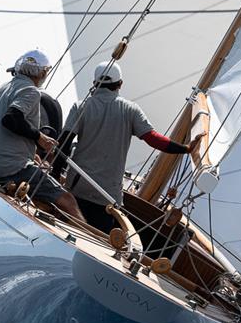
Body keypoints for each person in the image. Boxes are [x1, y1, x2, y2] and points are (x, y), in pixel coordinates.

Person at [52, 61, 202, 232]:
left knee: (67, 230)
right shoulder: (130, 110)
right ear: (120, 84)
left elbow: (64, 142)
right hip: (107, 196)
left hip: (77, 188)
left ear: (94, 83)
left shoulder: (81, 106)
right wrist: (185, 148)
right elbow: (152, 139)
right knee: (98, 239)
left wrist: (55, 174)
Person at [0, 49, 84, 222]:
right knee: (67, 200)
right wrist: (39, 137)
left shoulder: (4, 87)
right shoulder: (31, 91)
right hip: (10, 169)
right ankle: (85, 240)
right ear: (43, 72)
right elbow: (11, 119)